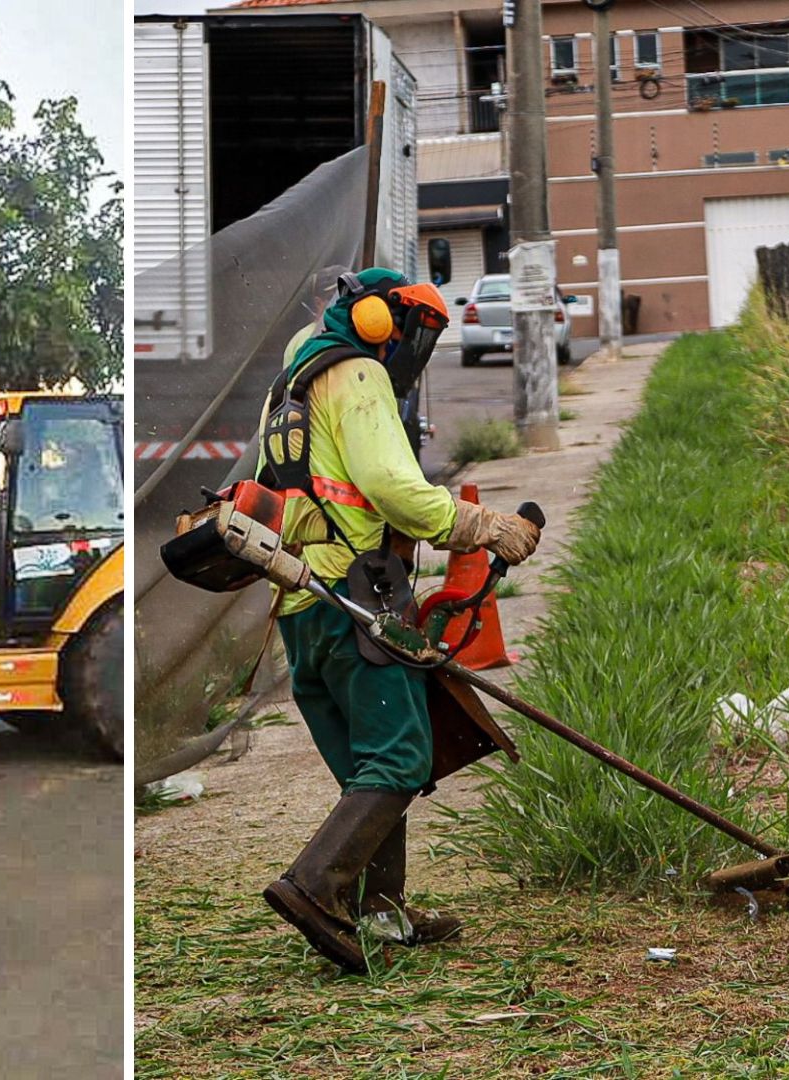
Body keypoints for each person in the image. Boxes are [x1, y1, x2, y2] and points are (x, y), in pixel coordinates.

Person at [255, 267, 541, 974]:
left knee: (368, 760)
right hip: (353, 593)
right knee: (401, 758)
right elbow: (391, 487)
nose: (412, 354)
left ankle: (380, 912)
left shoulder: (295, 376)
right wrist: (484, 526)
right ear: (383, 323)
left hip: (300, 600)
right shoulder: (356, 374)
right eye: (415, 335)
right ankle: (314, 887)